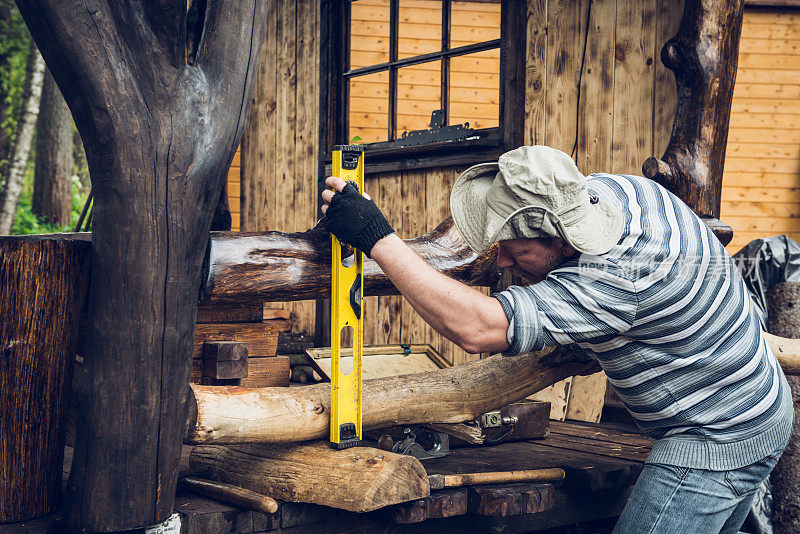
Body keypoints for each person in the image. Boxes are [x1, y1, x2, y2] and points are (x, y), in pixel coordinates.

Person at [320, 145, 793, 534]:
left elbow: (476, 328)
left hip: (718, 434)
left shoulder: (611, 279)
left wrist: (377, 238)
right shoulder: (613, 193)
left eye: (513, 250)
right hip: (754, 404)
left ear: (562, 242)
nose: (500, 263)